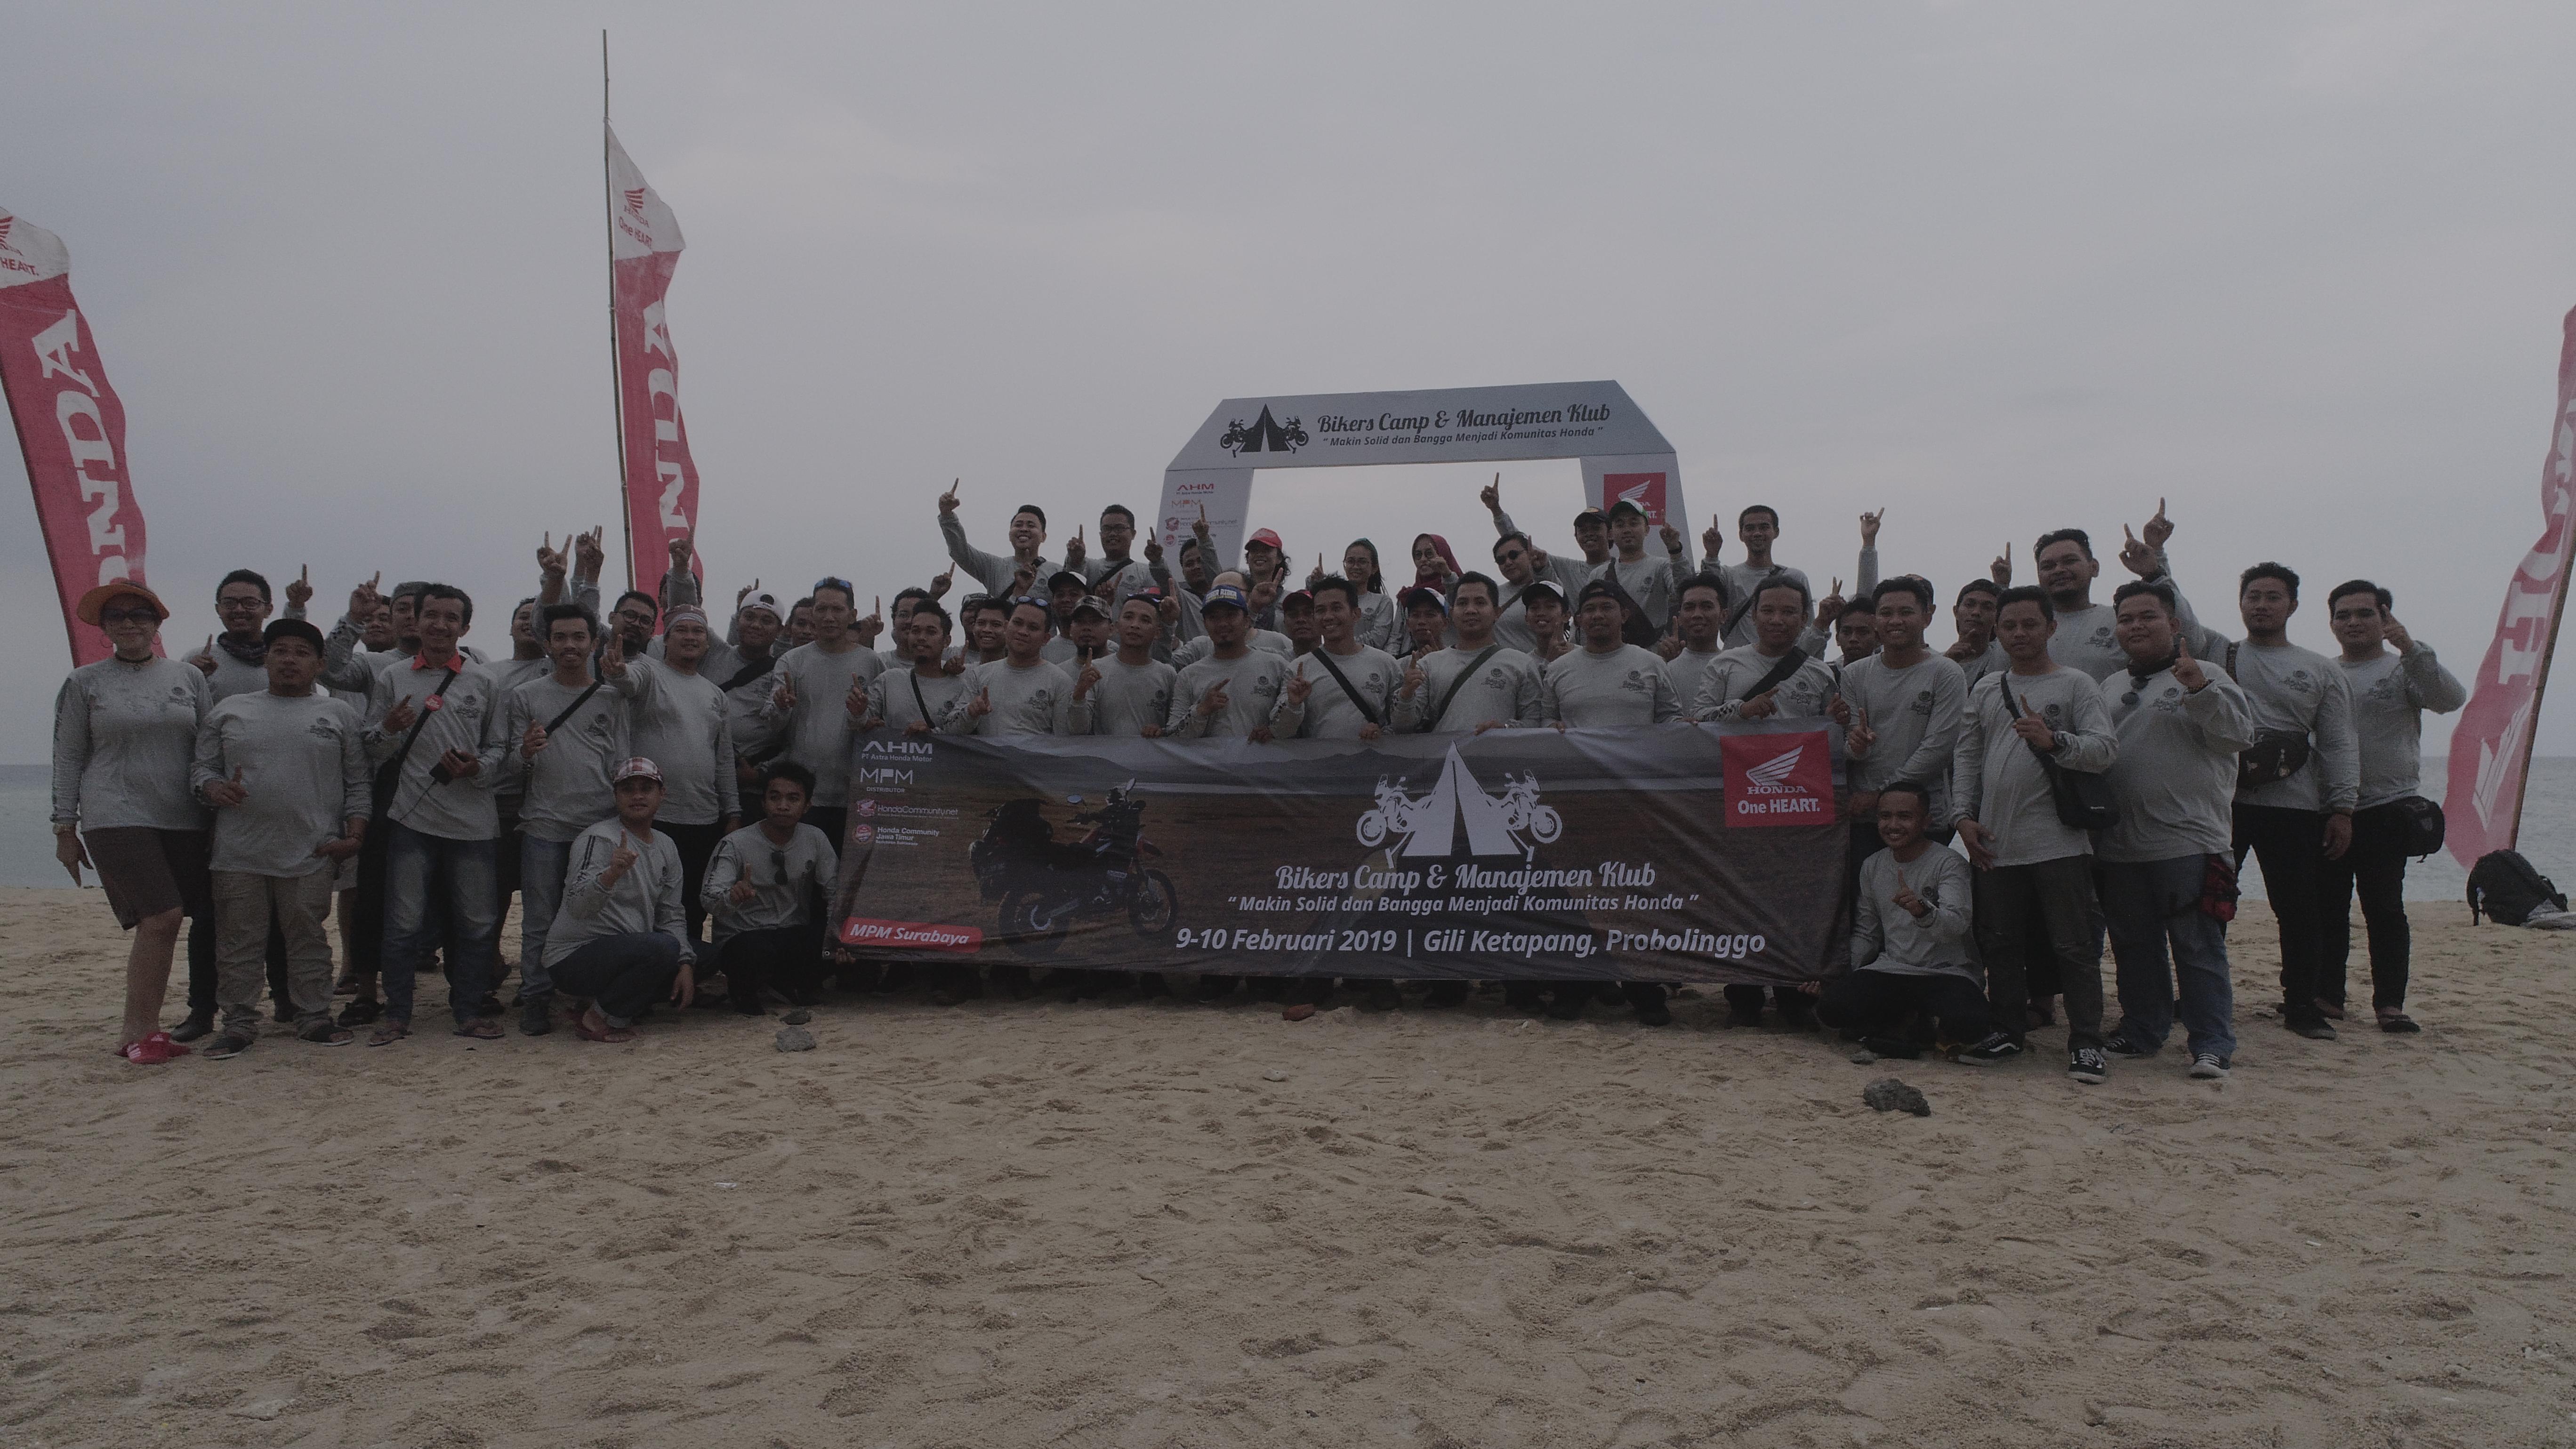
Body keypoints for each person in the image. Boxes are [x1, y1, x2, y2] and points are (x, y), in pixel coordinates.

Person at [1948, 586, 2118, 1082]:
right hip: (1995, 841)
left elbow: (2105, 750)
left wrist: (2055, 740)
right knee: (1999, 943)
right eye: (2009, 626)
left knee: (2074, 946)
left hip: (2060, 842)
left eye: (2030, 624)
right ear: (1997, 632)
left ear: (2051, 628)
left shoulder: (2076, 684)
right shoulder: (1987, 687)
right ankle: (2007, 1030)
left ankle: (2086, 1042)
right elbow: (1967, 756)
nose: (2019, 634)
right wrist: (1962, 817)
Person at [2096, 580, 2258, 1079]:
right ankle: (2143, 1030)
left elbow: (2238, 736)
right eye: (2126, 619)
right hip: (2120, 845)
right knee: (2134, 948)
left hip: (2189, 842)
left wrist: (2198, 689)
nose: (2136, 626)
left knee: (2198, 948)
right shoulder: (2108, 687)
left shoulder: (2207, 674)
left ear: (2174, 624)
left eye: (2148, 616)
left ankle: (2211, 1043)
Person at [189, 618, 370, 1055]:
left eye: (302, 653)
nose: (290, 660)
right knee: (238, 941)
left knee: (308, 937)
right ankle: (238, 1024)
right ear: (266, 659)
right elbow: (201, 770)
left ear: (319, 664)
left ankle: (315, 1017)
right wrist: (213, 788)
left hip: (313, 849)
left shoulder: (339, 714)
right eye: (281, 651)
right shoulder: (229, 711)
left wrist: (355, 836)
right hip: (238, 853)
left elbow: (358, 783)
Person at [51, 581, 214, 1063]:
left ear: (157, 623)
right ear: (104, 627)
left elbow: (207, 749)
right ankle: (137, 1031)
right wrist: (65, 828)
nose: (128, 623)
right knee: (160, 917)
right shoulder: (84, 682)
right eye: (117, 616)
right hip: (114, 813)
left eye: (139, 614)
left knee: (169, 923)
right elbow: (67, 757)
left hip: (183, 816)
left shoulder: (188, 677)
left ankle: (145, 1027)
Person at [2206, 563, 2359, 1040]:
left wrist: (2342, 808)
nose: (2262, 606)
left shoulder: (2319, 668)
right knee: (2210, 904)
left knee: (2298, 910)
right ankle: (2201, 995)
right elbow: (2180, 617)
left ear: (2293, 605)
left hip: (2295, 807)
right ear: (2240, 603)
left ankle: (2301, 1005)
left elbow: (2338, 742)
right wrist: (2158, 565)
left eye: (2273, 597)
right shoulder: (2220, 654)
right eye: (2253, 596)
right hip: (2225, 801)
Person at [360, 584, 511, 1046]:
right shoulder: (393, 678)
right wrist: (389, 728)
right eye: (432, 615)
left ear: (465, 627)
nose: (440, 625)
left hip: (474, 823)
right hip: (411, 819)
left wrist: (476, 768)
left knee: (478, 923)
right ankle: (396, 1015)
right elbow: (371, 747)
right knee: (403, 923)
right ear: (416, 620)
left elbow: (500, 749)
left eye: (451, 618)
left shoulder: (485, 682)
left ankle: (469, 1011)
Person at [2323, 581, 2464, 1033]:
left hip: (2387, 807)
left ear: (2384, 618)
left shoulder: (2404, 667)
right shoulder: (2323, 672)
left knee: (2384, 909)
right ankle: (2327, 996)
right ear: (2332, 623)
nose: (2353, 622)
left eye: (2365, 613)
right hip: (2329, 808)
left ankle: (2389, 1004)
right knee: (2327, 909)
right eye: (2343, 615)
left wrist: (2409, 647)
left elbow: (2450, 699)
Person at [1537, 580, 1680, 1025]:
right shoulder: (1559, 669)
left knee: (1634, 894)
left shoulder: (1650, 663)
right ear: (1578, 619)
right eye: (1590, 609)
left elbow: (1672, 722)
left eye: (1607, 608)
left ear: (1624, 616)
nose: (1598, 616)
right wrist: (1551, 731)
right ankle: (1575, 985)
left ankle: (1644, 987)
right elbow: (1545, 724)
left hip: (1637, 801)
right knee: (1577, 895)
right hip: (1579, 803)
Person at [499, 604, 640, 1035]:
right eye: (560, 637)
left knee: (597, 914)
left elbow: (621, 761)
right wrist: (525, 752)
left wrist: (623, 824)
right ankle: (536, 997)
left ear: (594, 643)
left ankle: (589, 994)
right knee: (539, 918)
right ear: (547, 643)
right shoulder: (526, 697)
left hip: (598, 826)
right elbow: (510, 765)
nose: (570, 646)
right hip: (543, 824)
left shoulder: (611, 698)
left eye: (579, 637)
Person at [1818, 782, 2008, 1061]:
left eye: (1905, 817)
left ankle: (1906, 1024)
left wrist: (1923, 912)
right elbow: (1867, 934)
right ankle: (1911, 1022)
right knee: (1831, 1008)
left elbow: (1957, 925)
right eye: (1885, 816)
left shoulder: (1949, 862)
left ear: (1926, 822)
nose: (1893, 825)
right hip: (1893, 969)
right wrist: (1838, 974)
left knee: (1970, 1024)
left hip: (1947, 972)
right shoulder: (1872, 865)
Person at [541, 758, 697, 1043]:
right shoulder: (598, 838)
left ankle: (607, 1000)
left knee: (703, 958)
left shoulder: (666, 845)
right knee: (663, 949)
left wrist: (686, 963)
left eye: (646, 789)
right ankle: (600, 1016)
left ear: (662, 794)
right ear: (615, 796)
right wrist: (610, 875)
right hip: (576, 955)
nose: (637, 796)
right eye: (628, 789)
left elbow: (671, 913)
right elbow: (578, 906)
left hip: (629, 947)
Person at [1833, 577, 1968, 884]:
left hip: (1925, 818)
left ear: (1927, 617)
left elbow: (1939, 749)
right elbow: (1850, 746)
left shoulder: (1946, 673)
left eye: (1906, 612)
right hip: (1865, 819)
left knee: (1920, 903)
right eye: (1886, 613)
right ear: (1876, 620)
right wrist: (1855, 746)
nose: (1895, 621)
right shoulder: (1854, 674)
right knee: (1866, 901)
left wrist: (1881, 796)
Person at [625, 605, 741, 955]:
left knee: (690, 904)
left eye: (698, 632)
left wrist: (733, 812)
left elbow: (724, 760)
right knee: (645, 902)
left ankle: (685, 969)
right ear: (666, 639)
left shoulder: (715, 694)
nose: (691, 638)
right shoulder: (648, 671)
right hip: (652, 817)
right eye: (682, 631)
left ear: (707, 642)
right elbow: (626, 680)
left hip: (702, 818)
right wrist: (616, 671)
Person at [756, 577, 885, 850]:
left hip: (855, 795)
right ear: (812, 613)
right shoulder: (792, 660)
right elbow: (772, 723)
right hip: (801, 796)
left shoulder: (872, 662)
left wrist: (859, 715)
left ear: (852, 615)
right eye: (822, 609)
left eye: (837, 610)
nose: (829, 617)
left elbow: (874, 726)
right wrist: (781, 706)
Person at [701, 762, 839, 1014]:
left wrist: (838, 938)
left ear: (807, 805)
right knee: (753, 952)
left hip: (791, 931)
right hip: (744, 934)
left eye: (793, 799)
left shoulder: (816, 838)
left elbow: (835, 893)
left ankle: (786, 983)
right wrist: (732, 897)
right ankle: (744, 991)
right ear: (763, 803)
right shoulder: (735, 843)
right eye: (775, 798)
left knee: (834, 940)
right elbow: (709, 899)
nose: (783, 806)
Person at [2033, 504, 2220, 680]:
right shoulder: (2026, 628)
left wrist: (2154, 573)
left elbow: (2192, 643)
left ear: (2094, 568)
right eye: (2048, 566)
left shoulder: (2123, 620)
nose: (2059, 570)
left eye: (2069, 561)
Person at [1392, 573, 1542, 735]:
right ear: (1452, 613)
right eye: (1462, 603)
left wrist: (1505, 730)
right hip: (1445, 752)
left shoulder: (1521, 663)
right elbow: (1402, 728)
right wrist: (1406, 694)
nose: (1470, 610)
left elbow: (1535, 722)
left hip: (1500, 752)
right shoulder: (1428, 665)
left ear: (1497, 612)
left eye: (1480, 602)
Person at [1688, 573, 1838, 726]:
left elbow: (1833, 730)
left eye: (1788, 612)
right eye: (1767, 611)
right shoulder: (1724, 664)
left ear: (1804, 619)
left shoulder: (1821, 674)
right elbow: (1697, 718)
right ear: (1754, 616)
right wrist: (1741, 710)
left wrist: (1833, 719)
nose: (1776, 620)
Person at [1273, 578, 1401, 742]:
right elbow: (1279, 731)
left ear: (1356, 614)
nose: (1328, 617)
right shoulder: (1298, 669)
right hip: (1318, 758)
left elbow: (1404, 724)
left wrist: (1384, 734)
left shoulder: (1386, 664)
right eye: (1320, 610)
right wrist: (1293, 705)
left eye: (1336, 608)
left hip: (1373, 758)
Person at [1168, 584, 1293, 746]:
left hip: (1264, 762)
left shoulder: (1277, 666)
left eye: (1231, 615)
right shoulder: (1188, 676)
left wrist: (1272, 731)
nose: (1223, 623)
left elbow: (1294, 729)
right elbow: (1171, 738)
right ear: (1205, 624)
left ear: (1247, 621)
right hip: (1206, 763)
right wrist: (1201, 711)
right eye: (1214, 617)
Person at [942, 596, 1087, 735]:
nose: (1023, 632)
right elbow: (950, 730)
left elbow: (1064, 743)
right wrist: (971, 712)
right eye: (1017, 623)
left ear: (1046, 639)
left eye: (1033, 628)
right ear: (1006, 627)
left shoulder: (1060, 682)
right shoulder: (979, 676)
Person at [862, 600, 974, 736]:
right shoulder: (889, 680)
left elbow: (965, 737)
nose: (921, 638)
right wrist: (861, 717)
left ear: (946, 641)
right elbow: (861, 721)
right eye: (915, 631)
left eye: (931, 632)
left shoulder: (962, 686)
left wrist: (931, 734)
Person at [1482, 475, 1607, 594]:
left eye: (1595, 528)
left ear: (1611, 533)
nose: (1589, 534)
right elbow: (1522, 543)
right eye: (1583, 531)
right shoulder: (1569, 569)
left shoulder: (1618, 568)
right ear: (1576, 537)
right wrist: (1496, 509)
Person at [1076, 595, 1179, 738]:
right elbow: (1078, 730)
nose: (1135, 625)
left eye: (1145, 620)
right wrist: (1079, 695)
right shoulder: (1096, 669)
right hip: (1105, 753)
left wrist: (1162, 731)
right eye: (1129, 617)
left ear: (1158, 632)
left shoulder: (1168, 675)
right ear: (1117, 626)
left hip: (1151, 753)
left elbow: (1177, 727)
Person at [939, 482, 1056, 598]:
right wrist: (947, 516)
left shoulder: (1055, 571)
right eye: (1018, 525)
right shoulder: (994, 567)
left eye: (1031, 526)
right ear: (1009, 535)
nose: (1024, 529)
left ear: (1043, 537)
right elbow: (961, 552)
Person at [1714, 506, 1808, 649]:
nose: (1757, 533)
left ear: (1776, 532)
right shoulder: (1729, 576)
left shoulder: (1794, 577)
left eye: (1764, 527)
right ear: (1741, 535)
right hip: (1737, 658)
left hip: (1784, 660)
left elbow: (1807, 628)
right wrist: (1712, 555)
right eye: (1750, 528)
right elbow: (1707, 587)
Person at [1590, 500, 1684, 629]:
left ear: (1647, 530)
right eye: (1620, 525)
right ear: (1611, 534)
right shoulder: (1598, 574)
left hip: (1653, 642)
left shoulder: (1662, 566)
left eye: (1634, 524)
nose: (1627, 530)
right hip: (1609, 642)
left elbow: (1684, 594)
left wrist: (1675, 550)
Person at [1659, 573, 1730, 706]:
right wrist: (1661, 662)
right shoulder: (1664, 670)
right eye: (1689, 608)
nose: (1697, 615)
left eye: (1707, 607)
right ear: (1680, 618)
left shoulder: (1734, 666)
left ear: (1724, 615)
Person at [1946, 579, 2010, 687]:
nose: (1976, 612)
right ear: (1956, 611)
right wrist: (1946, 663)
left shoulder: (2004, 658)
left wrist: (2003, 584)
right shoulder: (1936, 661)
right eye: (1969, 605)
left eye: (1987, 608)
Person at [1521, 581, 1572, 666]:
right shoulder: (1523, 666)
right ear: (1526, 619)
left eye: (1550, 606)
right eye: (1534, 608)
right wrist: (1549, 662)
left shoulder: (1585, 657)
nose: (1541, 613)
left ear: (1566, 616)